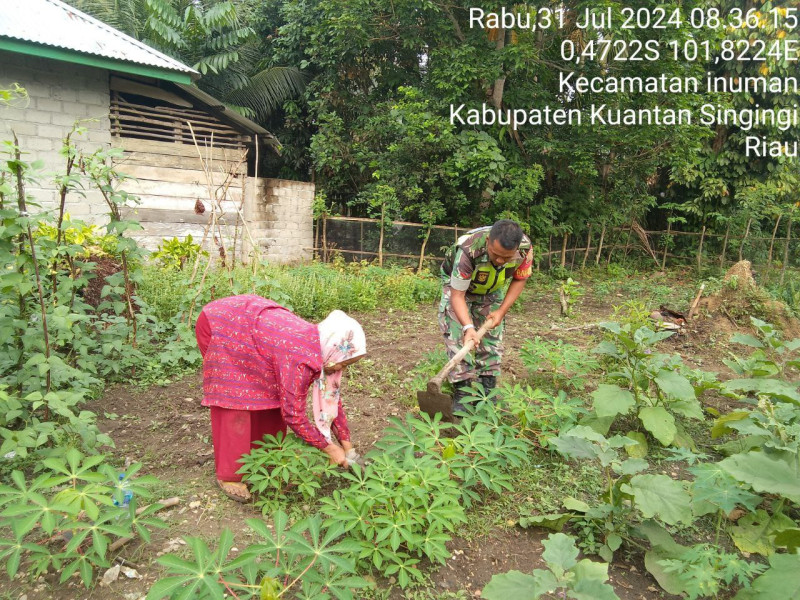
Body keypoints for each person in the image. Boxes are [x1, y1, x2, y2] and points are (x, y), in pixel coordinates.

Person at [195, 294, 366, 502]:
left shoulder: (321, 346)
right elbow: (293, 414)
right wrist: (329, 448)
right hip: (223, 325)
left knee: (271, 396)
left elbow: (331, 396)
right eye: (344, 363)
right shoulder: (300, 357)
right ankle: (230, 475)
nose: (342, 368)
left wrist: (347, 447)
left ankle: (264, 458)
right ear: (334, 346)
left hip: (252, 327)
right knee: (236, 396)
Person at [439, 219, 534, 412]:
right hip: (458, 288)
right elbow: (458, 295)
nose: (499, 261)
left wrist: (501, 311)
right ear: (488, 241)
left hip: (492, 290)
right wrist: (468, 327)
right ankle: (463, 391)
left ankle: (486, 391)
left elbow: (520, 279)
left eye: (506, 258)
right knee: (456, 333)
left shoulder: (525, 249)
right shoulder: (467, 249)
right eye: (495, 254)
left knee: (492, 337)